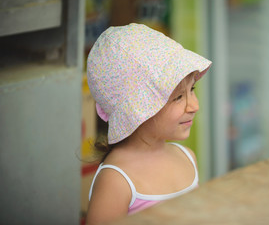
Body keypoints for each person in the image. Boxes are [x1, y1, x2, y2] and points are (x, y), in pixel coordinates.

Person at [85, 23, 212, 224]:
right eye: (178, 97)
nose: (194, 105)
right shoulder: (116, 180)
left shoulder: (188, 158)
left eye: (192, 89)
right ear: (137, 110)